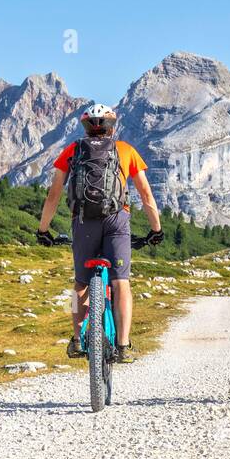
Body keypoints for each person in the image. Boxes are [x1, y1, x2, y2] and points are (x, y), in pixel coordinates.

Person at [37, 103, 163, 363]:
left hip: (83, 223)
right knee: (121, 283)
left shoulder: (72, 151)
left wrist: (43, 229)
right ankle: (124, 345)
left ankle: (75, 339)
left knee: (79, 286)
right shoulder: (125, 150)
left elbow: (53, 195)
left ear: (85, 126)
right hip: (117, 222)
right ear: (111, 126)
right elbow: (146, 195)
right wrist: (155, 229)